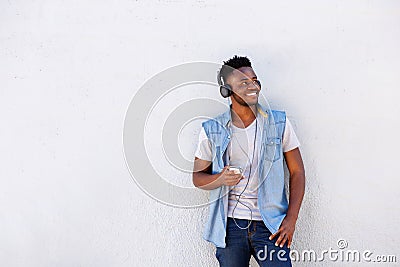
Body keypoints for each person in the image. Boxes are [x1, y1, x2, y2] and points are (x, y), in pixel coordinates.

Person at [192, 55, 305, 267]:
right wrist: (220, 178)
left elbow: (297, 171)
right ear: (226, 90)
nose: (252, 86)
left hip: (271, 226)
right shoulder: (212, 129)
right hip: (230, 229)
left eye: (255, 80)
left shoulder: (278, 122)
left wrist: (291, 220)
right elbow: (197, 178)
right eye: (244, 83)